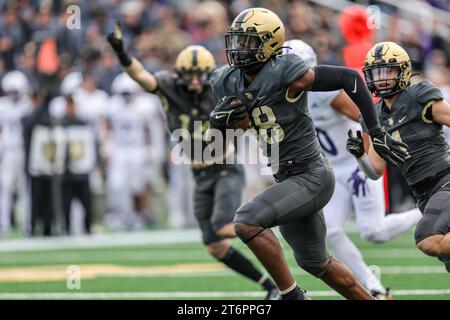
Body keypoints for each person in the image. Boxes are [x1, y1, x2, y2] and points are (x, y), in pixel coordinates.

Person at [209, 8, 407, 300]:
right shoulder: (225, 79)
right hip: (286, 177)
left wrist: (375, 131)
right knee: (317, 263)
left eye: (248, 42)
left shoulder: (285, 71)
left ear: (269, 44)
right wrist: (219, 121)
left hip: (310, 174)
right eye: (237, 40)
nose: (239, 49)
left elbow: (349, 78)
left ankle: (291, 296)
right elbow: (237, 129)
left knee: (246, 220)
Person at [106, 24, 279, 299]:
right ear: (179, 74)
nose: (197, 81)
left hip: (224, 167)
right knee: (215, 245)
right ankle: (270, 287)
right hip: (198, 175)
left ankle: (272, 222)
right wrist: (122, 53)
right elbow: (140, 76)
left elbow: (248, 116)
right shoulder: (168, 86)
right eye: (191, 75)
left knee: (224, 226)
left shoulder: (221, 87)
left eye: (201, 75)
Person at [284, 39, 423, 298]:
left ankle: (422, 213)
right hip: (331, 169)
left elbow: (365, 117)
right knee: (333, 231)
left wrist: (366, 157)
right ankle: (375, 287)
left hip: (354, 164)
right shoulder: (283, 96)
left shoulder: (324, 92)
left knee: (374, 231)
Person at [347, 41, 450, 273]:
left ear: (403, 71)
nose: (382, 78)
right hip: (422, 193)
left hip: (445, 180)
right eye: (377, 72)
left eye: (388, 71)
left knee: (428, 238)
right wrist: (360, 156)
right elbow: (375, 171)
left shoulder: (419, 95)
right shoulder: (372, 116)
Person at [0, 71, 32, 236]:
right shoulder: (2, 105)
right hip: (8, 152)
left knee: (25, 189)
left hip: (23, 151)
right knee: (5, 188)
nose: (13, 95)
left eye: (16, 91)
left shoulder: (27, 105)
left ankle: (27, 224)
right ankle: (3, 225)